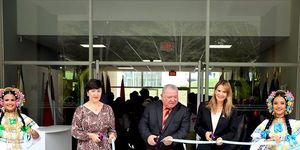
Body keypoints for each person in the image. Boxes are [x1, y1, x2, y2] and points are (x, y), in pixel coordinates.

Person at [139, 84, 190, 150]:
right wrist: (148, 136)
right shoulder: (151, 107)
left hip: (173, 148)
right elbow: (142, 124)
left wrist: (172, 138)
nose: (173, 100)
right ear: (162, 96)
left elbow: (184, 130)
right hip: (152, 147)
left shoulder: (184, 110)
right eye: (169, 97)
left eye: (175, 97)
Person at [71, 79, 117, 150]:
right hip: (86, 147)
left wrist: (112, 136)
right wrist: (90, 135)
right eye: (93, 91)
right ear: (87, 93)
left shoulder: (108, 109)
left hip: (104, 147)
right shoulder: (80, 110)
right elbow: (74, 131)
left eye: (98, 91)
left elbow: (112, 130)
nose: (96, 94)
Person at [194, 80, 238, 150]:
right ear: (215, 91)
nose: (220, 94)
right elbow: (197, 127)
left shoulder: (232, 110)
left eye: (224, 92)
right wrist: (205, 133)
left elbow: (233, 131)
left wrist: (222, 138)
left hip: (222, 147)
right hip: (204, 146)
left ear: (228, 94)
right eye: (219, 90)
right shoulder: (203, 106)